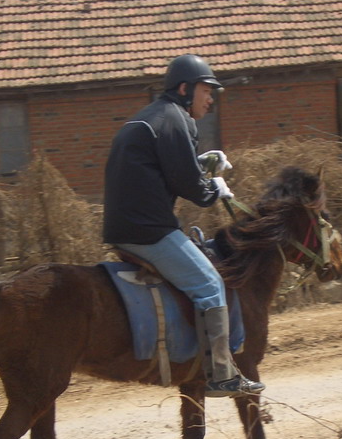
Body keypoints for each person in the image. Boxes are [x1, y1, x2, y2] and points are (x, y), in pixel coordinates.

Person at [102, 54, 265, 398]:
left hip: (124, 227)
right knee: (209, 285)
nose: (211, 99)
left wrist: (205, 162)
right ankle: (221, 375)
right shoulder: (178, 121)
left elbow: (174, 168)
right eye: (207, 91)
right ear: (184, 89)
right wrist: (215, 187)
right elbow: (192, 188)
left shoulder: (152, 118)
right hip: (149, 231)